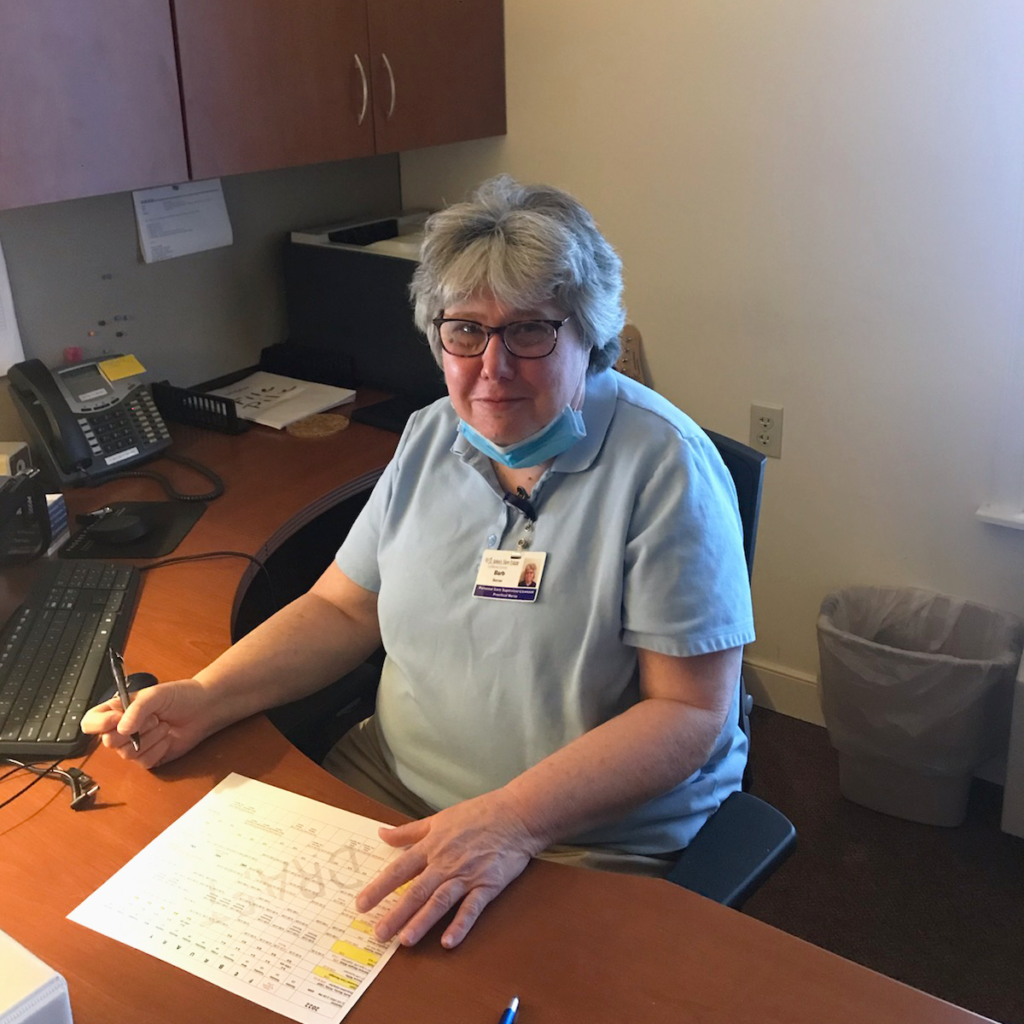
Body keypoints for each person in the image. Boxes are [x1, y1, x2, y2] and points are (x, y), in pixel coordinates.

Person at [83, 175, 753, 952]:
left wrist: (514, 818)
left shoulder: (666, 469)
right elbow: (343, 608)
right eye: (464, 331)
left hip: (577, 835)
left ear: (589, 337)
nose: (492, 367)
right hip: (390, 787)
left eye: (530, 331)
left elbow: (690, 715)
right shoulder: (433, 436)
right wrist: (207, 694)